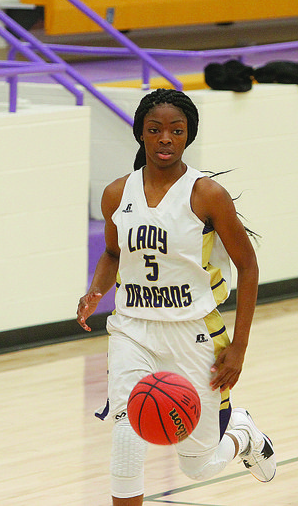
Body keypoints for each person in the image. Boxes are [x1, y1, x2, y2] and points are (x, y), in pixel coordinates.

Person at [76, 89, 276, 505]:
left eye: (176, 130)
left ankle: (242, 432)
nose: (165, 138)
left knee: (197, 465)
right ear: (141, 136)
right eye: (155, 130)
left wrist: (238, 347)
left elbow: (249, 266)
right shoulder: (117, 194)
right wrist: (97, 288)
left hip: (193, 333)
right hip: (133, 329)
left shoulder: (206, 195)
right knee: (127, 429)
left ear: (188, 136)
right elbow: (113, 253)